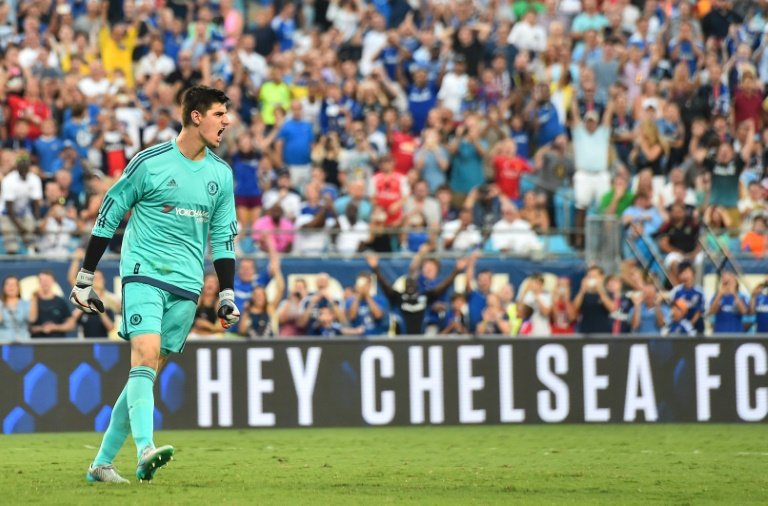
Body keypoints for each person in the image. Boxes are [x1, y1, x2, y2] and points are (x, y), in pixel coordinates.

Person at [70, 86, 240, 484]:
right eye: (219, 113)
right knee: (144, 357)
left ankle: (101, 464)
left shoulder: (221, 175)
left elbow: (224, 238)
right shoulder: (150, 163)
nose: (226, 121)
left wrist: (227, 294)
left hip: (187, 284)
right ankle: (146, 449)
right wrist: (85, 277)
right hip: (144, 271)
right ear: (196, 117)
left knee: (143, 377)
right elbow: (108, 215)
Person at [366, 254, 468, 335]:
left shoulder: (425, 297)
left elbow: (443, 287)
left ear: (418, 286)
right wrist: (375, 269)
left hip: (422, 340)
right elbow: (385, 286)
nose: (410, 283)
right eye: (408, 282)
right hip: (402, 340)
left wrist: (457, 271)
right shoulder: (398, 297)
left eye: (413, 282)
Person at [30, 271, 73, 338]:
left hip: (57, 342)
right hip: (37, 343)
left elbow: (71, 324)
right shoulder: (33, 301)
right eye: (42, 280)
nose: (45, 283)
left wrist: (55, 327)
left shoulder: (61, 301)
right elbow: (29, 322)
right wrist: (41, 328)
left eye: (47, 280)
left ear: (54, 282)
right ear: (38, 282)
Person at [708, 271, 748, 335]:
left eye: (730, 282)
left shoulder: (741, 296)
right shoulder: (717, 296)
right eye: (726, 283)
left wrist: (734, 294)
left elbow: (744, 311)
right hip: (720, 333)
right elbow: (711, 312)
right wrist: (719, 295)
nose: (728, 285)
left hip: (736, 333)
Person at [0, 275, 35, 342]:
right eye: (8, 284)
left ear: (18, 288)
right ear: (3, 288)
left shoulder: (26, 303)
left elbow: (32, 319)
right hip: (4, 342)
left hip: (23, 341)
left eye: (14, 284)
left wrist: (34, 300)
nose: (11, 287)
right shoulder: (0, 304)